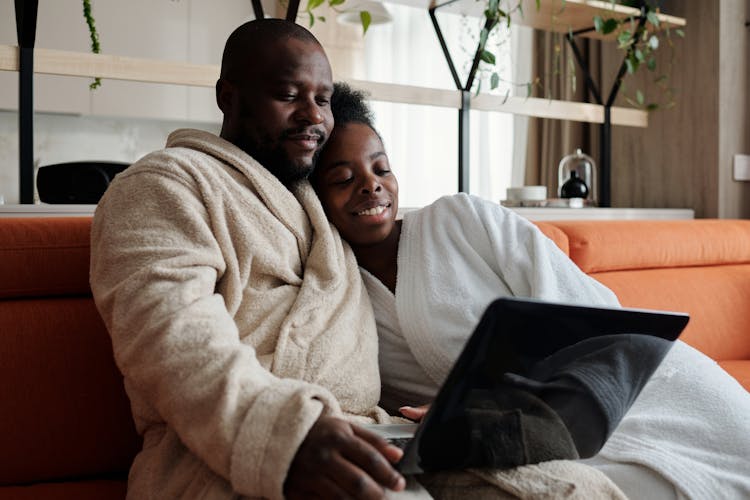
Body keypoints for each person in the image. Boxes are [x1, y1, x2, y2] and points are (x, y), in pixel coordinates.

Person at [89, 19, 622, 500]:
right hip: (240, 449)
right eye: (287, 95)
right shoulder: (164, 185)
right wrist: (285, 435)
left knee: (578, 488)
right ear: (229, 97)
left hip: (375, 432)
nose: (313, 116)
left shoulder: (315, 206)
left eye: (322, 99)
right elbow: (171, 337)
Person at [312, 82, 750, 500]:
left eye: (381, 168)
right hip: (523, 438)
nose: (371, 185)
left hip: (632, 381)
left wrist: (491, 403)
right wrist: (462, 416)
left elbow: (587, 310)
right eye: (342, 178)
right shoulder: (343, 292)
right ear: (314, 198)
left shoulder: (460, 220)